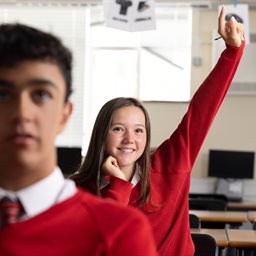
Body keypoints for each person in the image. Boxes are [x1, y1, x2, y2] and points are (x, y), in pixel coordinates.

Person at [71, 6, 245, 256]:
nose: (130, 139)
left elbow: (202, 110)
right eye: (119, 129)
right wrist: (119, 185)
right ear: (102, 133)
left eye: (139, 131)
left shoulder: (169, 164)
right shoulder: (78, 190)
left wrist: (232, 52)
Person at [0, 23, 158, 256]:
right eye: (2, 94)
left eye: (41, 94)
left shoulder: (121, 232)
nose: (23, 113)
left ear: (65, 114)